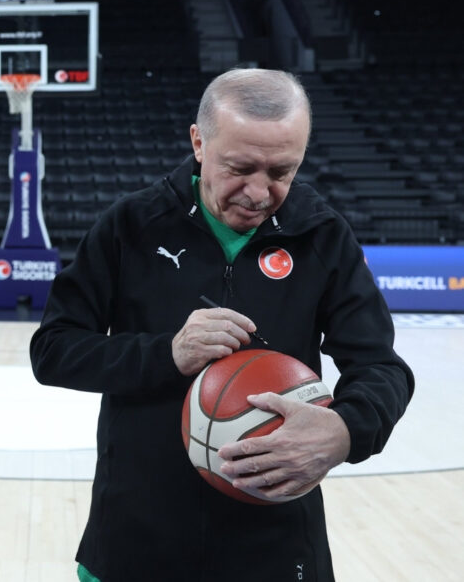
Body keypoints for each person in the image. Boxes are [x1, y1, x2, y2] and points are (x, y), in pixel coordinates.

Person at [30, 68, 414, 582]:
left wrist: (346, 429)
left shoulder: (322, 235)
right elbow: (53, 349)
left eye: (281, 171)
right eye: (240, 167)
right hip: (137, 538)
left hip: (277, 546)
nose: (258, 192)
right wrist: (166, 354)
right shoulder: (130, 226)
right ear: (199, 142)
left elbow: (381, 366)